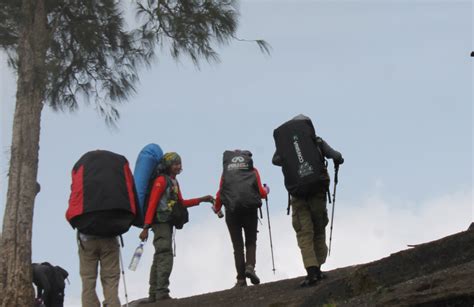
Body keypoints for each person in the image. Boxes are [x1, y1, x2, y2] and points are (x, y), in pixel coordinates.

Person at [272, 114, 344, 287]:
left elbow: (275, 160)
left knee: (304, 231)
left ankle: (311, 272)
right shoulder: (317, 141)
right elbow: (336, 155)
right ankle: (318, 268)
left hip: (298, 195)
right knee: (319, 227)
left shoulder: (285, 145)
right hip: (317, 190)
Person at [139, 152, 213, 302]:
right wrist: (146, 226)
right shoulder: (161, 181)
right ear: (168, 165)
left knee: (159, 256)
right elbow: (153, 203)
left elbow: (181, 203)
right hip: (160, 223)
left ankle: (154, 293)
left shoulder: (173, 182)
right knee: (164, 254)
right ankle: (161, 292)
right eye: (175, 164)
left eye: (179, 163)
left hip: (166, 223)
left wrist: (201, 199)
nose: (178, 166)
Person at [214, 150, 269, 288]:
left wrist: (217, 207)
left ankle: (241, 280)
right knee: (250, 241)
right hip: (250, 211)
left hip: (232, 212)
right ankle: (250, 267)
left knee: (237, 247)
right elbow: (261, 193)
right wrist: (267, 189)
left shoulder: (226, 172)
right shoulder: (253, 171)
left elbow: (221, 192)